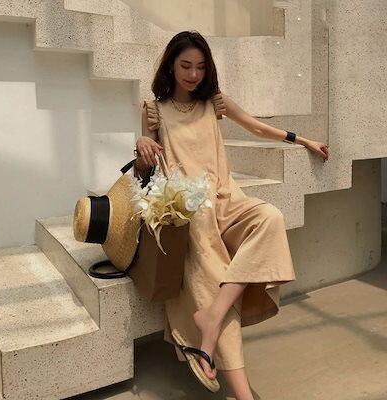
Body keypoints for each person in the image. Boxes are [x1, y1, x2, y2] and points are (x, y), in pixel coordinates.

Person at [134, 30, 329, 400]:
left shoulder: (214, 102)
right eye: (185, 66)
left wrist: (302, 139)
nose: (193, 74)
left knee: (270, 217)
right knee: (213, 279)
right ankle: (243, 394)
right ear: (171, 66)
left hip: (225, 197)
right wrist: (142, 144)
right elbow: (147, 172)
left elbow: (255, 126)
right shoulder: (153, 110)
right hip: (188, 210)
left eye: (200, 66)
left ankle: (211, 316)